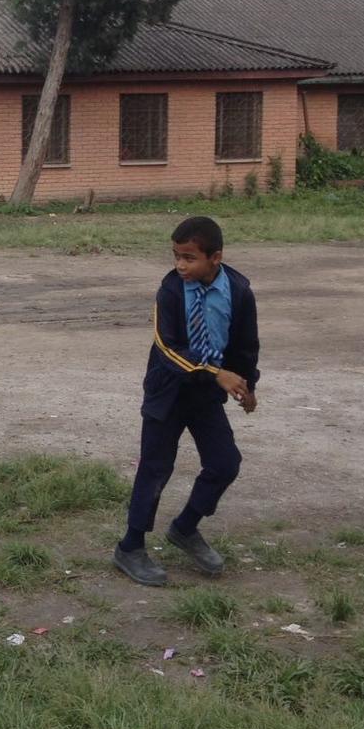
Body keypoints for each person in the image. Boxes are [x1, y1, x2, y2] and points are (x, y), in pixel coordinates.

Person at [113, 216, 259, 587]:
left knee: (225, 464)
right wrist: (215, 373)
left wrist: (247, 384)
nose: (180, 265)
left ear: (215, 257)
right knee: (156, 467)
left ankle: (185, 527)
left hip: (205, 396)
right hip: (168, 391)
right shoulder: (171, 291)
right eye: (176, 256)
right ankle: (130, 547)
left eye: (189, 258)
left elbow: (245, 344)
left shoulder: (238, 290)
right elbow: (167, 347)